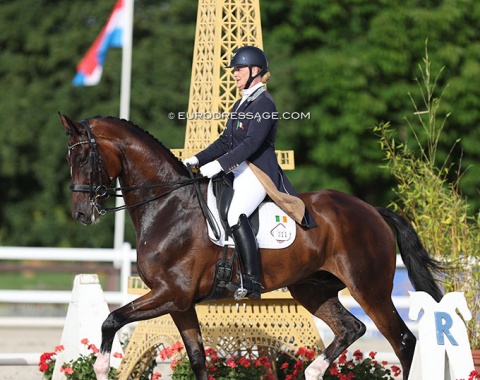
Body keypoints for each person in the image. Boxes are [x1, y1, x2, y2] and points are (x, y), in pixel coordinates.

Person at [183, 46, 316, 299]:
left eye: (239, 70)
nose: (234, 74)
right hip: (239, 170)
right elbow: (225, 141)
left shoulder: (265, 104)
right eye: (234, 70)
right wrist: (197, 159)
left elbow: (250, 145)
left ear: (256, 71)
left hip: (258, 173)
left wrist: (220, 165)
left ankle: (253, 281)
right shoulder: (241, 102)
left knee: (235, 213)